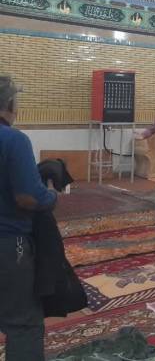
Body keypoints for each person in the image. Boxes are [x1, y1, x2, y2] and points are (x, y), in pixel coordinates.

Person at [0, 75, 58, 360]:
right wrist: (52, 195)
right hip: (9, 243)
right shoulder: (13, 139)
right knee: (23, 323)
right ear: (10, 103)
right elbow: (28, 197)